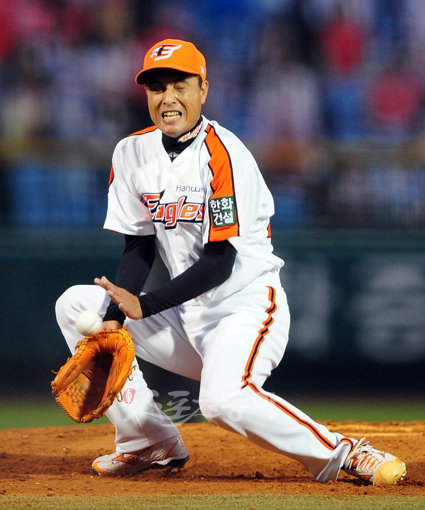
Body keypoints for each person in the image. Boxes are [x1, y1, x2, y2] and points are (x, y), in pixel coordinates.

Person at [55, 38, 406, 485]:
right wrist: (113, 319)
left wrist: (144, 305)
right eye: (157, 87)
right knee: (76, 305)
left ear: (203, 89)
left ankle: (344, 452)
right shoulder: (131, 152)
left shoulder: (225, 154)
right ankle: (147, 440)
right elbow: (139, 245)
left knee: (221, 402)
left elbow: (220, 262)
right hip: (186, 315)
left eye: (180, 85)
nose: (168, 98)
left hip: (244, 308)